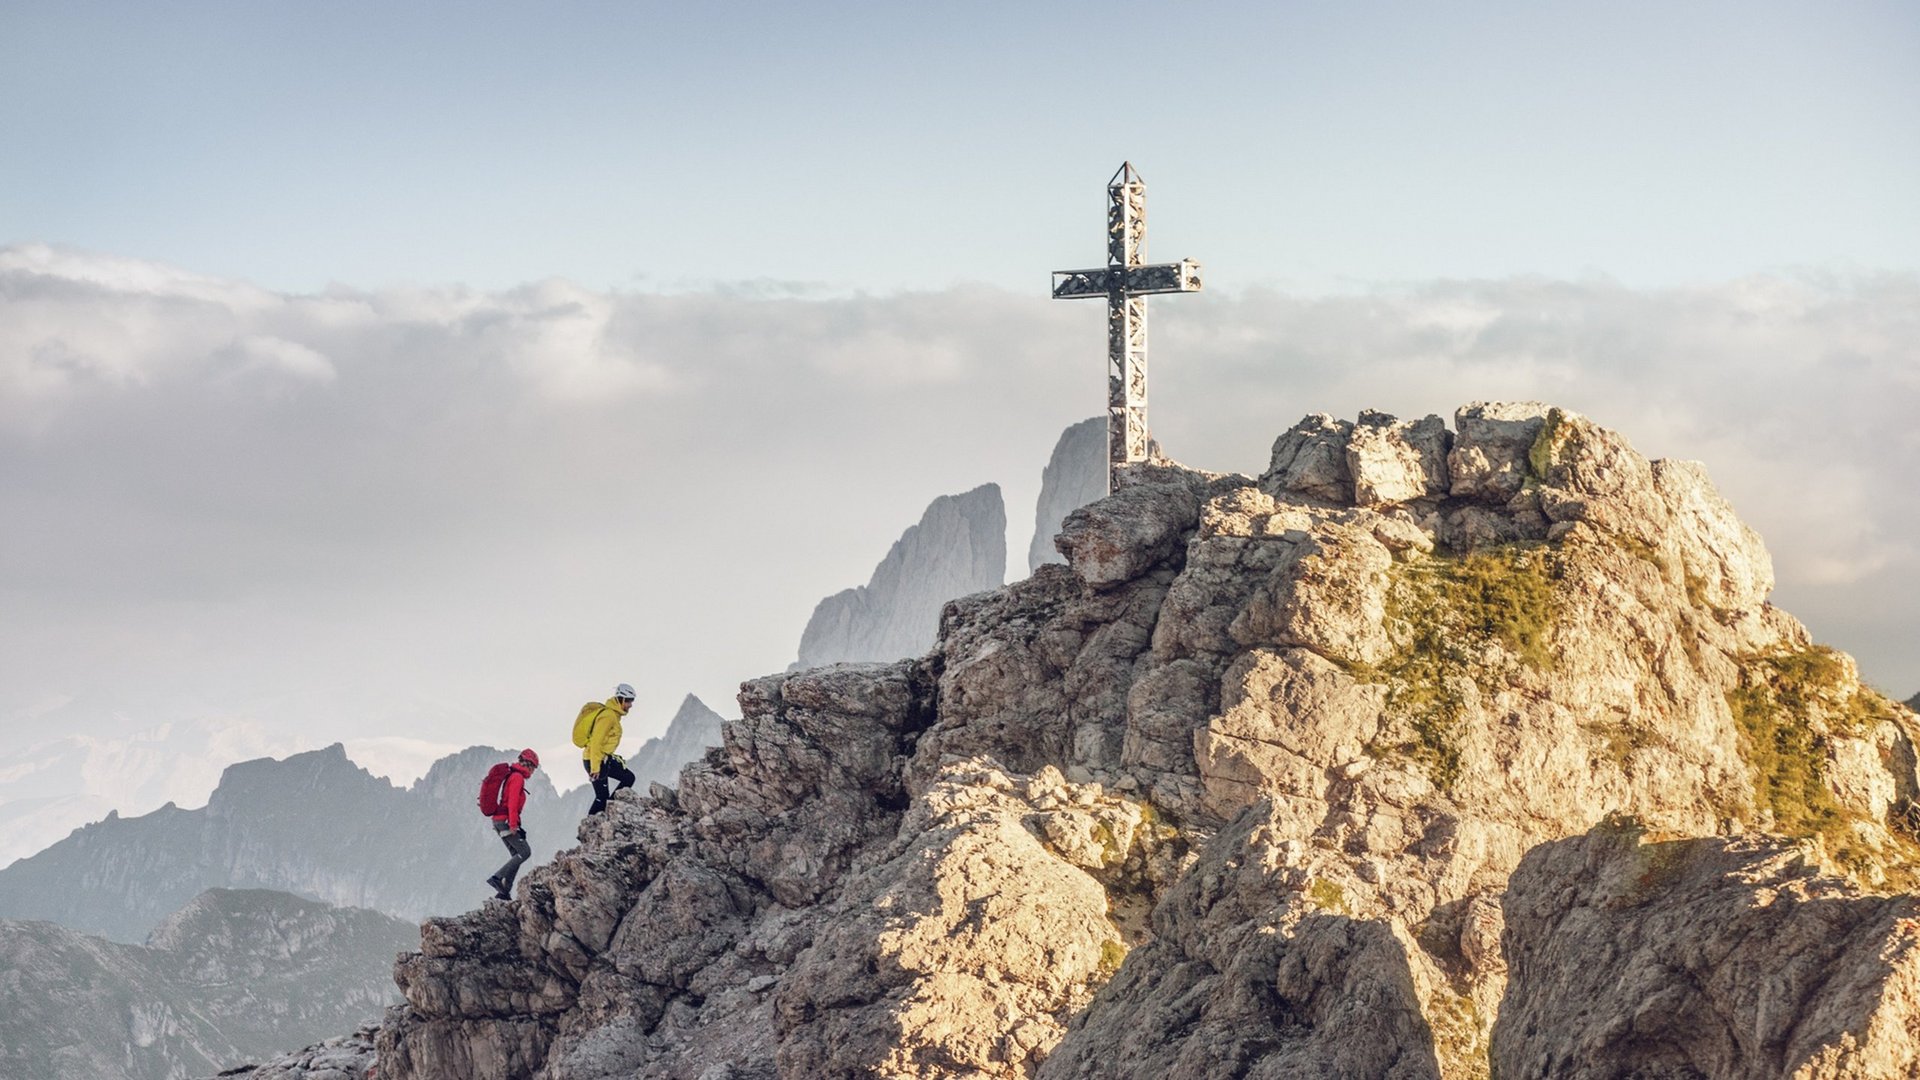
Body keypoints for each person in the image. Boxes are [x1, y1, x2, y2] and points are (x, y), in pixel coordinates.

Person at [486, 748, 540, 901]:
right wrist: (514, 824)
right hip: (505, 821)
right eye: (534, 768)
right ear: (529, 765)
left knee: (516, 854)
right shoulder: (517, 777)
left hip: (499, 820)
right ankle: (497, 878)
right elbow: (513, 802)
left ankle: (504, 892)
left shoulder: (513, 775)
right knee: (525, 852)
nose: (533, 771)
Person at [582, 682, 637, 815]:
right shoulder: (608, 716)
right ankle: (590, 828)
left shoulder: (614, 715)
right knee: (601, 797)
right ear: (620, 699)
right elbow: (596, 742)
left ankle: (609, 811)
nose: (630, 705)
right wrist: (595, 768)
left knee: (628, 778)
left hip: (604, 758)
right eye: (628, 701)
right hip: (593, 759)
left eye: (632, 701)